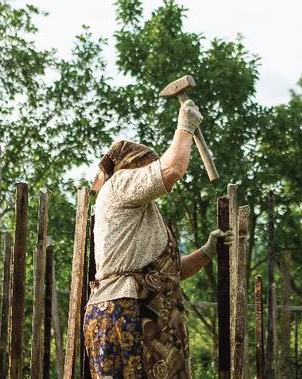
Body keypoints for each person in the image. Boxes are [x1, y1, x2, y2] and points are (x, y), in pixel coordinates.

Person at [84, 98, 234, 379]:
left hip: (136, 311)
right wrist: (185, 125)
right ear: (132, 166)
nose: (148, 174)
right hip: (130, 314)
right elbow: (173, 169)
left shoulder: (140, 216)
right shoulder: (120, 183)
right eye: (146, 167)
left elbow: (166, 275)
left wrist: (206, 251)